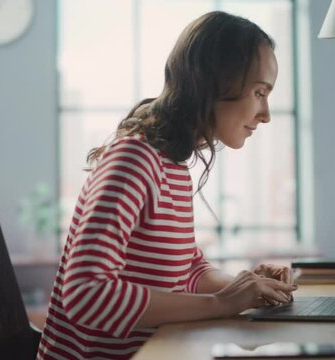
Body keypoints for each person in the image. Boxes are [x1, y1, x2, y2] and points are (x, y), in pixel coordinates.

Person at [37, 11, 297, 360]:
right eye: (259, 92)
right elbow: (86, 294)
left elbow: (185, 268)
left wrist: (247, 286)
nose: (266, 114)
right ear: (215, 82)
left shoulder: (171, 163)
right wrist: (221, 303)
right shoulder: (133, 159)